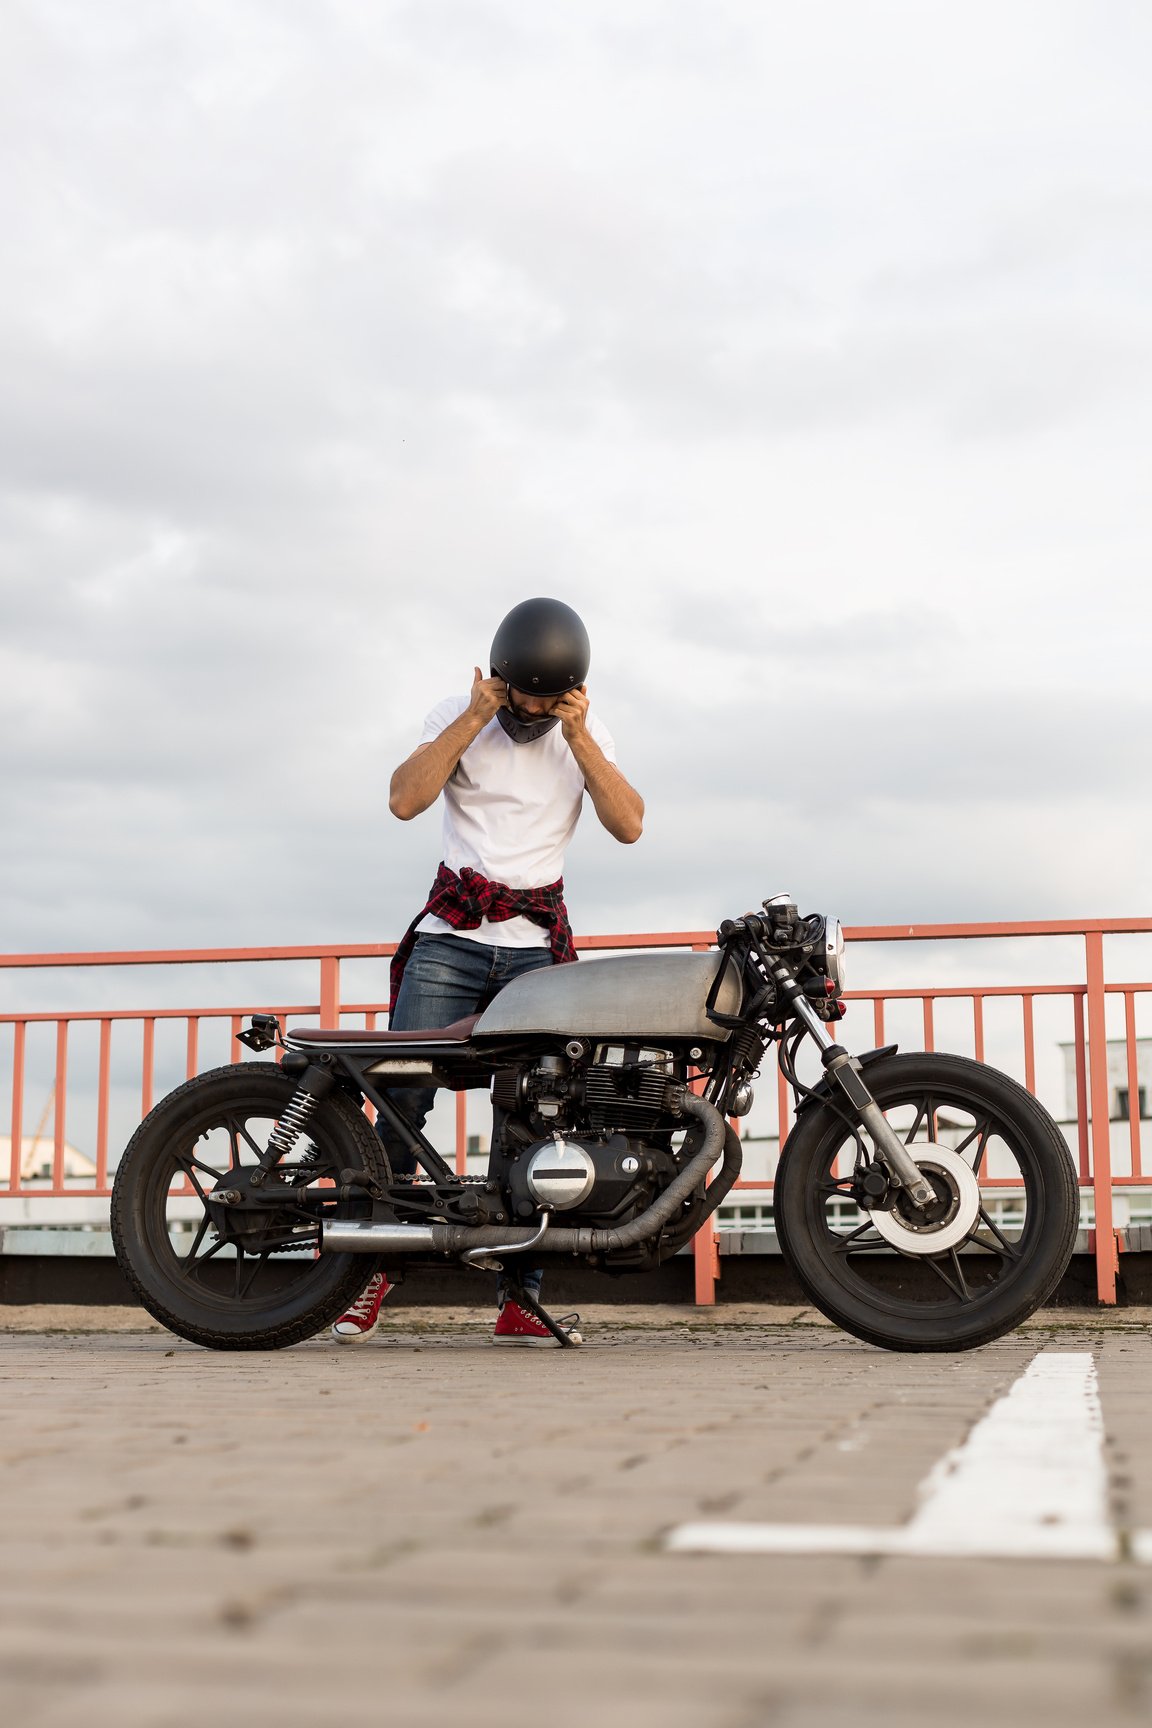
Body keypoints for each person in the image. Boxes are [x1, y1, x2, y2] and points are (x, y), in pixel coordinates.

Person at [333, 597, 644, 1346]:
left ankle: (519, 1297)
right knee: (400, 1104)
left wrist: (576, 734)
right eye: (522, 695)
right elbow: (404, 799)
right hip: (452, 939)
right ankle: (366, 1279)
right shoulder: (457, 712)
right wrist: (474, 718)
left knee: (536, 1118)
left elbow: (629, 824)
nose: (532, 709)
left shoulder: (583, 731)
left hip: (535, 949)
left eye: (549, 698)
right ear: (499, 676)